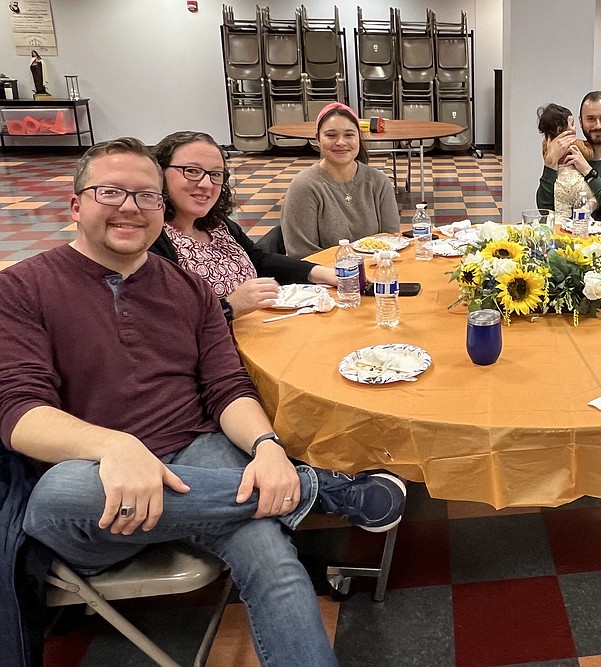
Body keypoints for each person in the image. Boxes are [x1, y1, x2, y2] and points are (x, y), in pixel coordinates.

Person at [0, 138, 407, 666]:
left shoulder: (188, 289)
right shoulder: (22, 288)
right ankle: (317, 490)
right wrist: (115, 447)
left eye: (145, 196)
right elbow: (17, 413)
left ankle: (282, 488)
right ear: (76, 205)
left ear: (159, 207)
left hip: (195, 454)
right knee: (58, 490)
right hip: (95, 495)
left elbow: (226, 387)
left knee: (272, 559)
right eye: (110, 192)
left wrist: (266, 448)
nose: (130, 206)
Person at [149, 131, 337, 322]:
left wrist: (322, 273)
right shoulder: (152, 243)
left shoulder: (216, 224)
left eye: (215, 174)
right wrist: (230, 306)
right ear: (159, 174)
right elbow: (168, 322)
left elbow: (258, 260)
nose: (206, 184)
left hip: (260, 328)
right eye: (192, 171)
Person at [280, 102, 400, 259]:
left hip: (376, 270)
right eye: (331, 135)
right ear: (318, 139)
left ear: (359, 137)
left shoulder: (379, 181)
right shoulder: (304, 187)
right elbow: (301, 254)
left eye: (349, 135)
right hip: (324, 277)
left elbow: (391, 239)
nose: (341, 142)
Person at [536, 91, 601, 225]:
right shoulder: (564, 159)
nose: (598, 125)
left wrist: (587, 171)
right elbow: (545, 210)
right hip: (568, 242)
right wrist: (549, 165)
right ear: (580, 121)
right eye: (591, 119)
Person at [536, 102, 595, 221]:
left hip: (559, 186)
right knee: (589, 199)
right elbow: (590, 154)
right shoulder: (575, 143)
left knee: (559, 211)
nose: (575, 128)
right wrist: (588, 145)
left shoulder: (546, 145)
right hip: (573, 184)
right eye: (572, 124)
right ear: (560, 129)